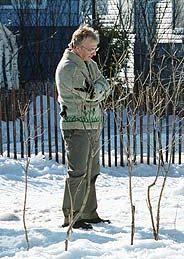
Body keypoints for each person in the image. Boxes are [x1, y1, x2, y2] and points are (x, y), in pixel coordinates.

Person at [55, 24, 111, 230]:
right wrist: (99, 89)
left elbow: (105, 85)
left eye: (95, 48)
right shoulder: (68, 68)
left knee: (92, 171)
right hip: (76, 125)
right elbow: (91, 94)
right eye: (91, 49)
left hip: (92, 124)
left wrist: (100, 89)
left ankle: (88, 212)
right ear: (78, 47)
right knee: (78, 172)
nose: (94, 53)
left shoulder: (89, 64)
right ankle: (72, 216)